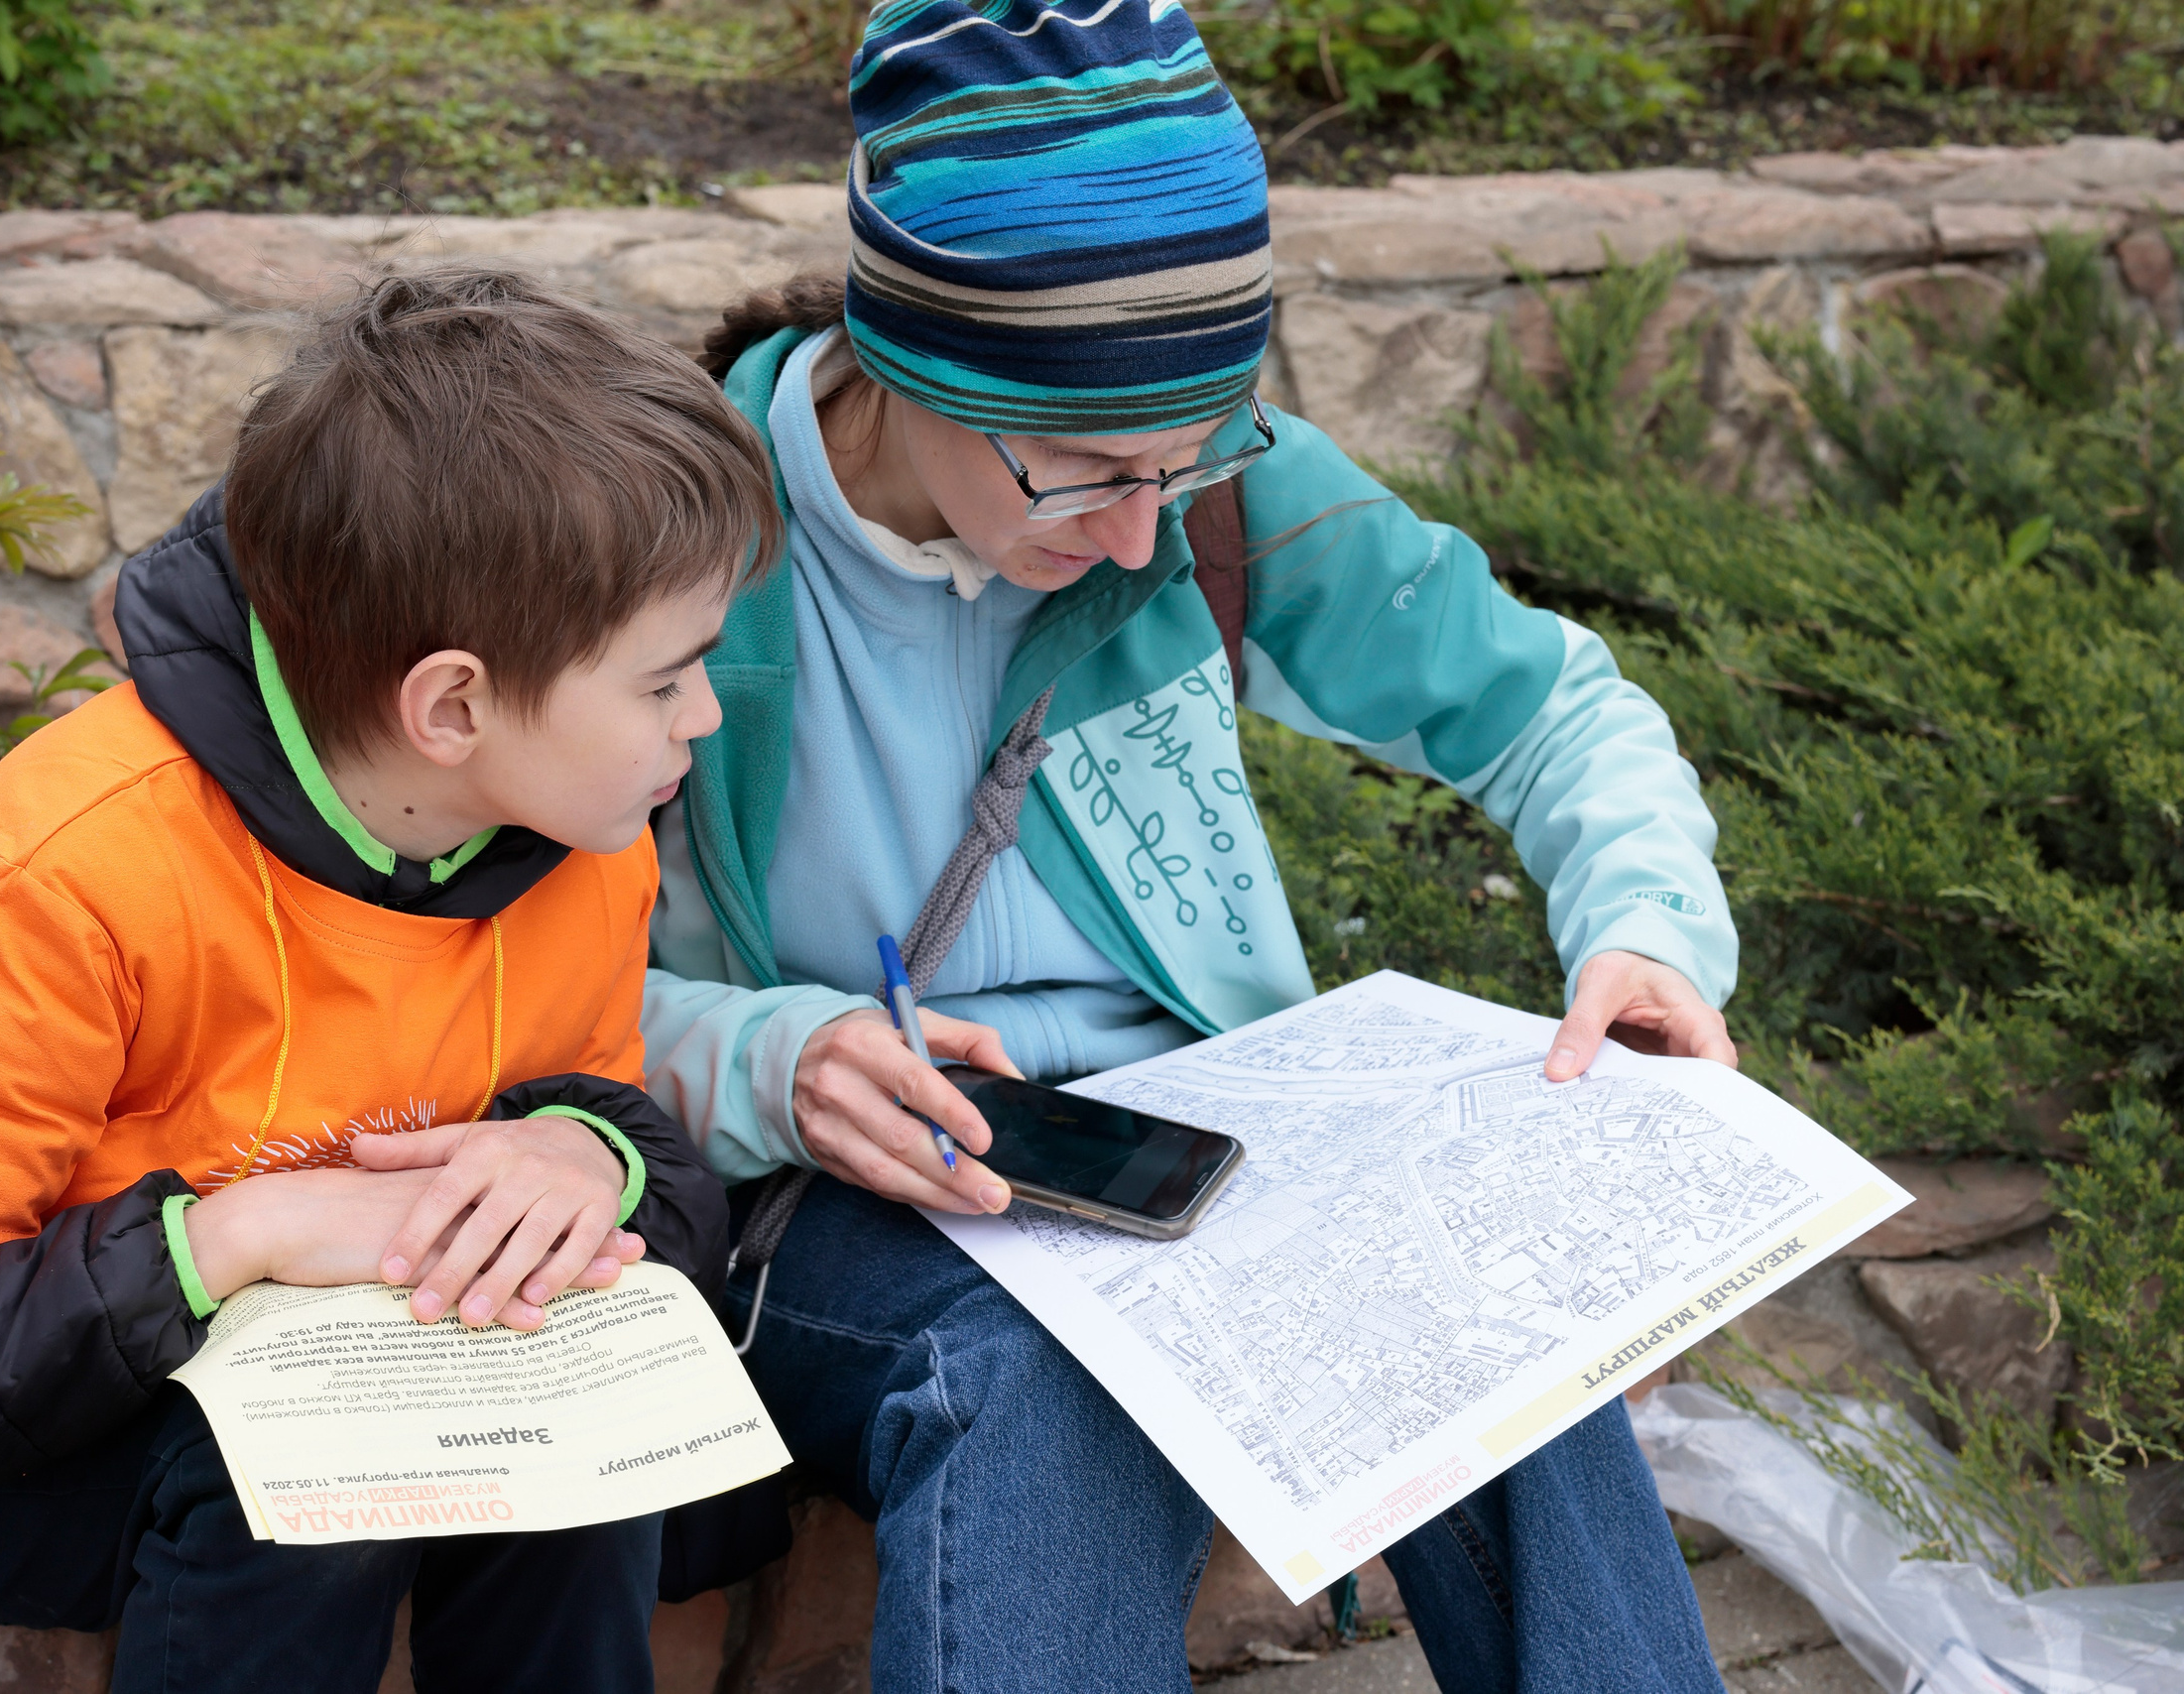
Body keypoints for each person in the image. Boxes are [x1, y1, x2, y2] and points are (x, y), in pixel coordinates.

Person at [643, 4, 1738, 1692]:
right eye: (1084, 473)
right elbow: (487, 980)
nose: (1143, 533)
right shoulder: (658, 543)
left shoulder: (1211, 494)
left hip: (1210, 1148)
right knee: (1042, 1372)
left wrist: (1646, 930)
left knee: (1490, 1292)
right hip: (834, 1194)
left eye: (1191, 457)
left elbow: (1554, 710)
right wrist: (770, 1057)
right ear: (913, 363)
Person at [0, 268, 772, 1694]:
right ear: (452, 704)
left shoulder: (584, 837)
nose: (705, 715)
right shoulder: (47, 886)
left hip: (372, 1361)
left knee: (589, 1427)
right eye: (664, 680)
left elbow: (612, 1125)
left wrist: (585, 1155)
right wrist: (235, 1236)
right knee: (302, 1489)